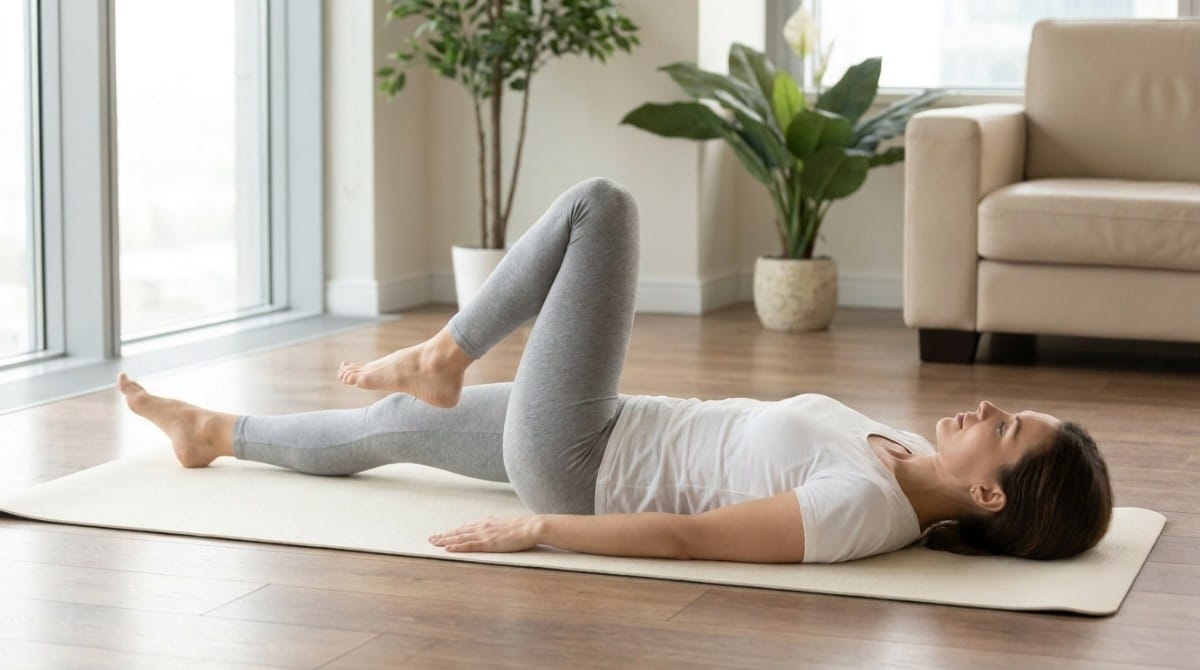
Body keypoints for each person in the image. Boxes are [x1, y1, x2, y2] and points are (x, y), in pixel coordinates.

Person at [117, 177, 1114, 564]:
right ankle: (215, 434)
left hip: (583, 458)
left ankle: (442, 351)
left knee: (605, 208)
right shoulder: (891, 452)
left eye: (1008, 424)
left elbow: (689, 536)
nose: (987, 404)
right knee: (391, 433)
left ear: (989, 490)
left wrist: (545, 527)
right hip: (615, 423)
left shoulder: (859, 509)